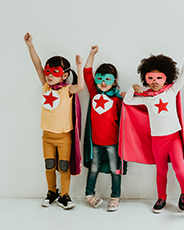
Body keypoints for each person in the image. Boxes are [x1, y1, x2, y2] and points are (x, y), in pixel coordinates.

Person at [120, 45, 184, 213]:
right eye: (150, 78)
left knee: (179, 169)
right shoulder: (146, 97)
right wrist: (133, 88)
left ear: (166, 77)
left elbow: (183, 75)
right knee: (161, 171)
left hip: (173, 138)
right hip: (157, 141)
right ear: (145, 78)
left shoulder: (172, 91)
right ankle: (162, 197)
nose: (154, 82)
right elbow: (127, 102)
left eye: (159, 78)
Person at [24, 32, 84, 210]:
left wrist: (79, 67)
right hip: (47, 136)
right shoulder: (45, 86)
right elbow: (37, 65)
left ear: (64, 75)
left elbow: (80, 86)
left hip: (64, 137)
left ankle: (65, 195)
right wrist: (30, 46)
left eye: (54, 72)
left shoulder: (67, 90)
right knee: (49, 165)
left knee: (63, 166)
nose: (49, 76)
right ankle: (52, 192)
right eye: (48, 72)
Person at [83, 45, 125, 211]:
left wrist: (130, 93)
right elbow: (87, 72)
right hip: (95, 142)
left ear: (114, 81)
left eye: (107, 79)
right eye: (100, 78)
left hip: (113, 142)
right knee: (93, 169)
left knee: (116, 170)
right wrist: (91, 54)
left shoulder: (117, 99)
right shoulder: (94, 93)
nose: (102, 83)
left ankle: (115, 197)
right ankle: (89, 194)